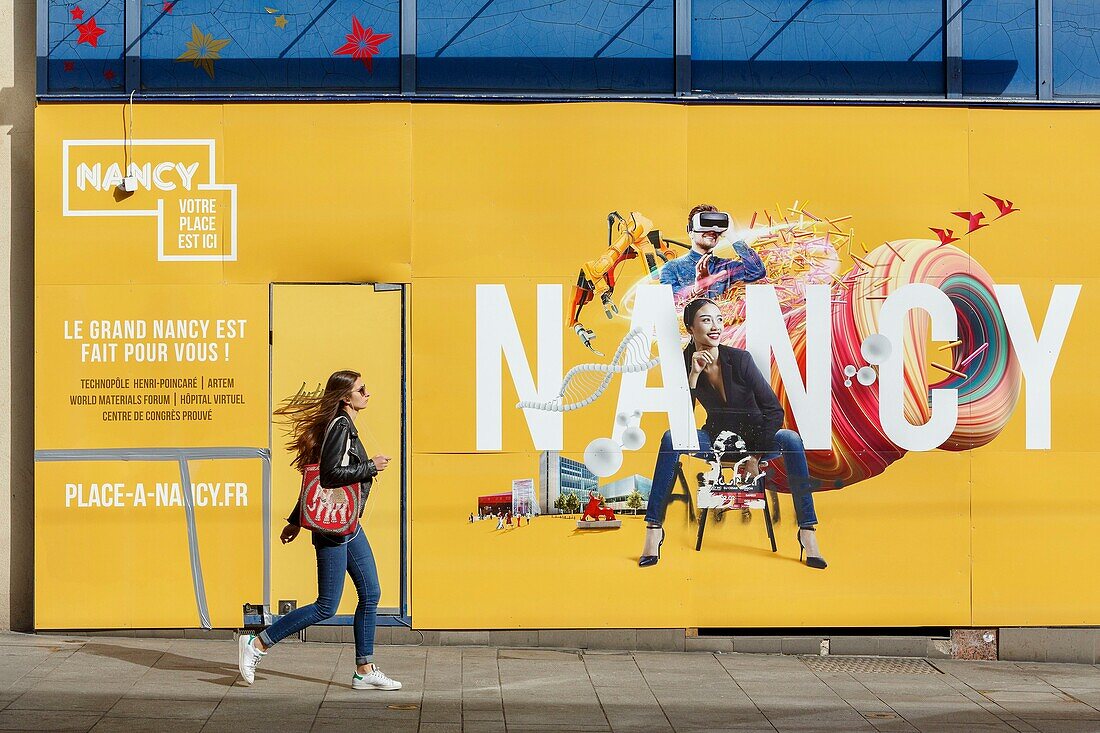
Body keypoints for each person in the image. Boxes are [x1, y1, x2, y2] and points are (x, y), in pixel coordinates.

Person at [237, 370, 402, 690]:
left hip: (347, 522)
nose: (368, 394)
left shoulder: (343, 424)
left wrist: (296, 520)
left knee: (371, 592)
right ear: (346, 397)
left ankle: (364, 670)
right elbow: (329, 475)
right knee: (326, 605)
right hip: (333, 529)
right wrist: (371, 466)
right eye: (362, 389)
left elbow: (312, 476)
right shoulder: (341, 425)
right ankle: (257, 644)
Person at [638, 299, 826, 569]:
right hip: (717, 440)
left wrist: (754, 455)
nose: (715, 326)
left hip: (757, 439)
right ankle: (654, 529)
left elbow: (774, 410)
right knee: (670, 438)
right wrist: (693, 376)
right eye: (706, 320)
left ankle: (807, 531)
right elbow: (683, 421)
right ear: (690, 327)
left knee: (792, 440)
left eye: (718, 319)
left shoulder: (739, 359)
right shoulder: (683, 362)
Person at [659, 204, 766, 303]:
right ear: (690, 231)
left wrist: (732, 235)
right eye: (705, 224)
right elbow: (670, 299)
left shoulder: (726, 267)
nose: (711, 231)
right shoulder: (671, 268)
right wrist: (695, 289)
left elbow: (757, 272)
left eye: (715, 226)